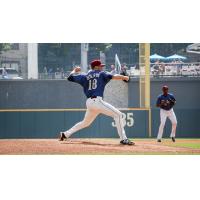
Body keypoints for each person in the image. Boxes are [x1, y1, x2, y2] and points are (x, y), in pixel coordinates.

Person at [59, 59, 134, 145]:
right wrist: (125, 77)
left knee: (85, 123)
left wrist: (74, 70)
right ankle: (123, 139)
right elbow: (113, 76)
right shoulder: (101, 73)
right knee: (118, 115)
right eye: (101, 66)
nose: (102, 68)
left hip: (89, 103)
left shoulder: (85, 76)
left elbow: (70, 78)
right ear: (96, 67)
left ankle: (65, 134)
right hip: (97, 101)